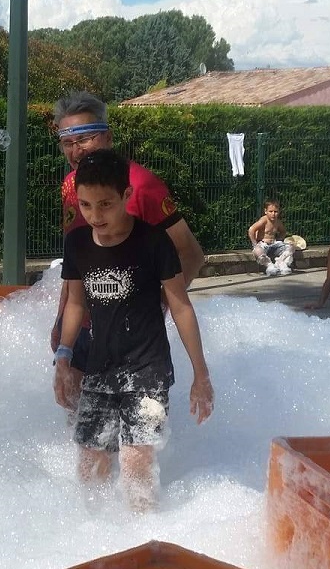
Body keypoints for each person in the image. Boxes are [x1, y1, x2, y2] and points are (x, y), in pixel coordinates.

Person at [53, 149, 214, 511]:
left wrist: (200, 375)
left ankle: (142, 532)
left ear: (127, 196)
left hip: (147, 369)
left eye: (105, 204)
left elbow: (181, 305)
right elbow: (76, 304)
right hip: (100, 366)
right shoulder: (78, 243)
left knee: (136, 460)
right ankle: (94, 535)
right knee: (90, 460)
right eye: (85, 205)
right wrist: (64, 356)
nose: (95, 216)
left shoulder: (153, 242)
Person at [50, 91, 205, 369]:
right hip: (85, 328)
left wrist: (155, 307)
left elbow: (191, 255)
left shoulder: (142, 187)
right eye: (67, 143)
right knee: (78, 411)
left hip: (134, 338)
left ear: (108, 138)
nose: (76, 151)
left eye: (84, 139)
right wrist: (62, 324)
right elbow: (77, 263)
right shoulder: (71, 186)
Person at [248, 199, 295, 276]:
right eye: (270, 211)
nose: (273, 214)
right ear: (265, 211)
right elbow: (251, 230)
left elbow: (283, 231)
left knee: (291, 247)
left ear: (278, 212)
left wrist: (280, 239)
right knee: (257, 251)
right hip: (264, 244)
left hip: (275, 244)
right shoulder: (264, 220)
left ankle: (281, 263)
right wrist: (254, 244)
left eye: (275, 211)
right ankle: (269, 266)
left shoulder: (278, 222)